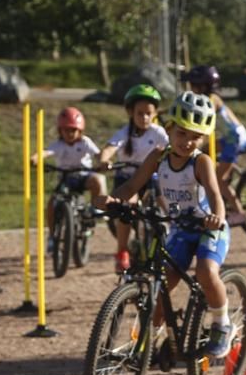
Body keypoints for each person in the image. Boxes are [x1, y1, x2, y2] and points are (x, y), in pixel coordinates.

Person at [103, 92, 235, 357]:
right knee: (163, 284)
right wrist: (111, 199)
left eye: (196, 136)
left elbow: (214, 196)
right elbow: (132, 185)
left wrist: (217, 218)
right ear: (169, 129)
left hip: (209, 229)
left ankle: (223, 324)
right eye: (182, 133)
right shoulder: (158, 157)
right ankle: (147, 338)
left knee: (206, 272)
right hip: (181, 230)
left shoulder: (201, 162)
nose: (187, 142)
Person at [99, 84, 168, 273]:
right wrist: (105, 160)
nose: (145, 118)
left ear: (155, 113)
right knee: (127, 207)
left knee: (167, 203)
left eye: (149, 113)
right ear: (131, 112)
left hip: (151, 179)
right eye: (140, 113)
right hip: (128, 180)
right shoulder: (124, 133)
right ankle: (122, 250)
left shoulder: (158, 133)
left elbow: (171, 149)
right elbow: (109, 148)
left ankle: (172, 233)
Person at [30, 107, 105, 254]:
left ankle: (94, 209)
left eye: (73, 130)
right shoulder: (59, 145)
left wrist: (103, 161)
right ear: (60, 131)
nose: (70, 134)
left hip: (83, 176)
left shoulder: (85, 142)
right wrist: (36, 157)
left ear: (80, 131)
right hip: (65, 179)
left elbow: (98, 155)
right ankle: (52, 236)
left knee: (97, 180)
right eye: (66, 130)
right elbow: (46, 152)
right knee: (52, 203)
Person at [182, 65, 246, 222]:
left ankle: (239, 212)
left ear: (203, 86)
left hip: (234, 140)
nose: (191, 89)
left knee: (218, 179)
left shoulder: (211, 100)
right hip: (230, 139)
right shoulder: (209, 98)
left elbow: (204, 123)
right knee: (206, 151)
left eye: (193, 86)